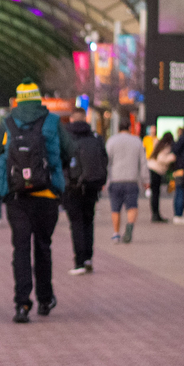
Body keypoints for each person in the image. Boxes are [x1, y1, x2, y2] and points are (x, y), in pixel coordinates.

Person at [0, 77, 72, 323]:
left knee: (21, 249)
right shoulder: (53, 121)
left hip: (17, 197)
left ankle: (22, 304)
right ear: (38, 99)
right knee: (43, 247)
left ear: (17, 100)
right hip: (46, 195)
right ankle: (45, 299)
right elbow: (69, 152)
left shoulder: (7, 123)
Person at [64, 108, 109, 274]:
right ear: (85, 118)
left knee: (76, 223)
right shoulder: (95, 137)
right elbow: (104, 160)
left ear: (71, 119)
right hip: (92, 185)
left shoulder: (66, 137)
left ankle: (79, 261)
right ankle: (89, 257)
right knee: (89, 221)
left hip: (72, 186)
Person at [105, 126, 147, 244]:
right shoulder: (137, 141)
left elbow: (107, 161)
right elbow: (143, 162)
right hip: (131, 180)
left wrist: (105, 179)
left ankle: (116, 234)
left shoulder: (111, 141)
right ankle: (129, 226)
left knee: (115, 209)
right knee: (132, 206)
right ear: (129, 127)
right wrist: (146, 179)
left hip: (115, 179)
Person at [146, 131, 175, 223]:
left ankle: (155, 213)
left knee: (155, 193)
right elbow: (161, 159)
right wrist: (172, 157)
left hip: (152, 168)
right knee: (155, 193)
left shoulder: (159, 144)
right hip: (157, 170)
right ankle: (155, 214)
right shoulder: (166, 147)